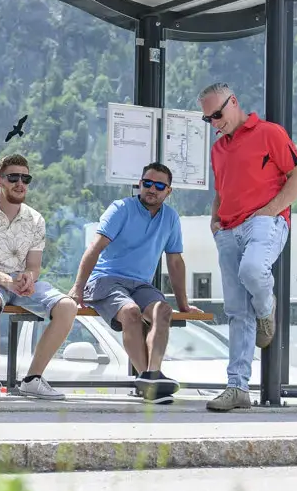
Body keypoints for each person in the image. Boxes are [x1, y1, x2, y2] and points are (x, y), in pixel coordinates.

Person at [200, 83, 297, 413]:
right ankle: (237, 387)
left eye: (218, 114)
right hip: (228, 230)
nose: (215, 123)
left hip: (264, 222)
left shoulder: (269, 133)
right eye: (208, 119)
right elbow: (221, 190)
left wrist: (272, 210)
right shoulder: (218, 149)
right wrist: (214, 220)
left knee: (252, 270)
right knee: (235, 311)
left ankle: (267, 309)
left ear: (234, 102)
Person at [69, 163, 203, 404]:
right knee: (130, 312)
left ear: (168, 191)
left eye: (159, 185)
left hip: (140, 284)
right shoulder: (121, 209)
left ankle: (152, 375)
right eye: (147, 183)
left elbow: (175, 262)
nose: (152, 189)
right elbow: (95, 248)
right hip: (106, 280)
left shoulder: (170, 218)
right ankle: (148, 382)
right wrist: (77, 288)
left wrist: (183, 305)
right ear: (139, 184)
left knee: (163, 310)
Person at [0, 154, 73, 401]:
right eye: (13, 177)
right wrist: (3, 279)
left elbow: (34, 265)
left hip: (17, 283)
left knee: (67, 306)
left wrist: (29, 278)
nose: (20, 183)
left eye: (25, 178)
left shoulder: (35, 219)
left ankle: (32, 380)